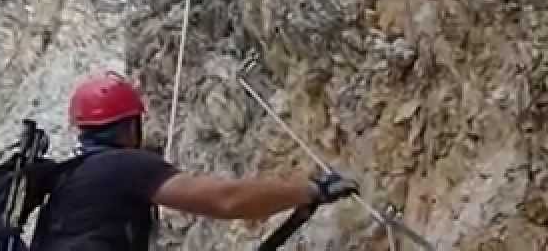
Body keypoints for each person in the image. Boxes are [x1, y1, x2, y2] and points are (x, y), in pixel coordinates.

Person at [28, 73, 358, 250]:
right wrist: (310, 189)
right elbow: (226, 200)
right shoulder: (125, 166)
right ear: (131, 126)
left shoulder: (65, 180)